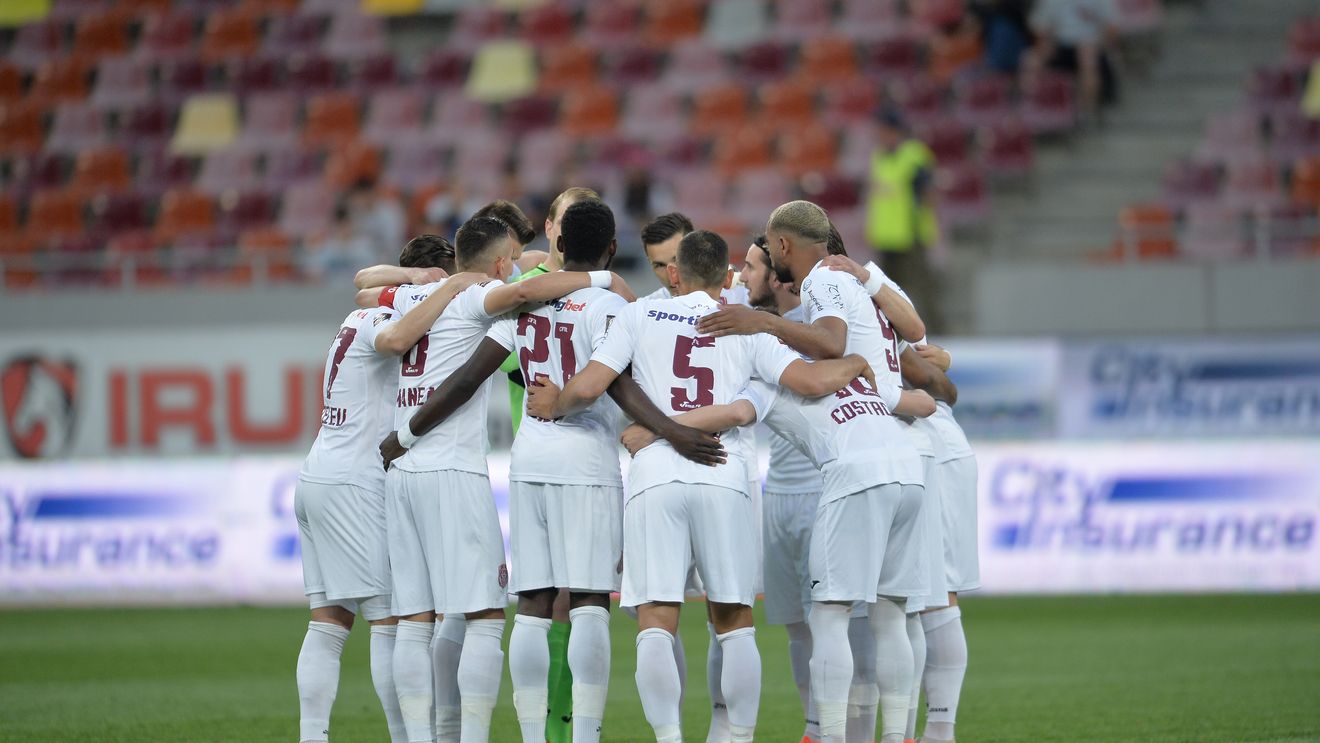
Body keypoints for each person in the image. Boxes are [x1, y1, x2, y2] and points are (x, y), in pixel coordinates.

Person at [378, 199, 720, 743]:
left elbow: (468, 379)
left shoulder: (524, 309)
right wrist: (670, 429)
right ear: (611, 249)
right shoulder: (611, 306)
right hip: (584, 460)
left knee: (534, 604)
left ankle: (535, 736)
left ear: (558, 246)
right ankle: (582, 736)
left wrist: (406, 432)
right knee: (587, 603)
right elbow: (618, 384)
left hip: (528, 460)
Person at [526, 229, 880, 743]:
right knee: (734, 619)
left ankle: (669, 738)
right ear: (726, 275)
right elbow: (811, 381)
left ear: (676, 272)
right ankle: (735, 738)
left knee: (656, 618)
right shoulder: (746, 327)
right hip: (725, 473)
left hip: (655, 476)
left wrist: (555, 404)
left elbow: (589, 387)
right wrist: (859, 361)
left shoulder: (638, 315)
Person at [357, 216, 635, 743]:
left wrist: (416, 278)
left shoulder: (415, 300)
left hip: (457, 467)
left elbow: (368, 290)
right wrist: (603, 281)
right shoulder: (492, 296)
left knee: (426, 618)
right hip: (488, 465)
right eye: (510, 256)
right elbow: (607, 376)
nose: (515, 264)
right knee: (532, 609)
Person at [698, 200, 930, 743]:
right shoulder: (848, 294)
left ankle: (827, 735)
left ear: (782, 249)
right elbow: (906, 335)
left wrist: (661, 423)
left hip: (855, 471)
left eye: (754, 265)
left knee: (827, 615)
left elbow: (811, 363)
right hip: (903, 462)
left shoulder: (788, 324)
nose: (745, 275)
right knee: (892, 615)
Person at [293, 237, 479, 743]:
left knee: (329, 624)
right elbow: (397, 340)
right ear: (430, 275)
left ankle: (314, 735)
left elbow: (363, 281)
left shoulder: (360, 313)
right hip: (354, 481)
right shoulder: (381, 321)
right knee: (392, 621)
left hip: (318, 475)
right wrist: (452, 286)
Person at [823, 254, 978, 743]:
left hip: (931, 448)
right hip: (898, 451)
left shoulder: (864, 290)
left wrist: (924, 371)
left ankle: (936, 731)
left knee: (931, 597)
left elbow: (939, 385)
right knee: (900, 602)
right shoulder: (833, 299)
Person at [738, 234, 827, 743]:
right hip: (780, 494)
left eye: (750, 267)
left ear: (776, 276)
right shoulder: (755, 329)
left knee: (836, 620)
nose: (741, 275)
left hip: (823, 489)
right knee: (795, 623)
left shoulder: (818, 330)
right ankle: (813, 729)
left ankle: (849, 726)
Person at [864, 109, 943, 334]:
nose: (879, 135)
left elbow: (928, 193)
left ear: (894, 131)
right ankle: (893, 334)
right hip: (886, 235)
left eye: (883, 130)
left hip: (910, 233)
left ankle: (932, 333)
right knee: (886, 291)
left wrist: (924, 222)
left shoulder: (914, 155)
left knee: (921, 287)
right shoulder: (878, 156)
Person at [1026, 0, 1120, 117]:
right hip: (1060, 45)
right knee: (1031, 59)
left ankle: (1086, 112)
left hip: (1092, 46)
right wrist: (1046, 43)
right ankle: (1032, 106)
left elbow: (1112, 27)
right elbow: (1038, 27)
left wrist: (1099, 44)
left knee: (1087, 59)